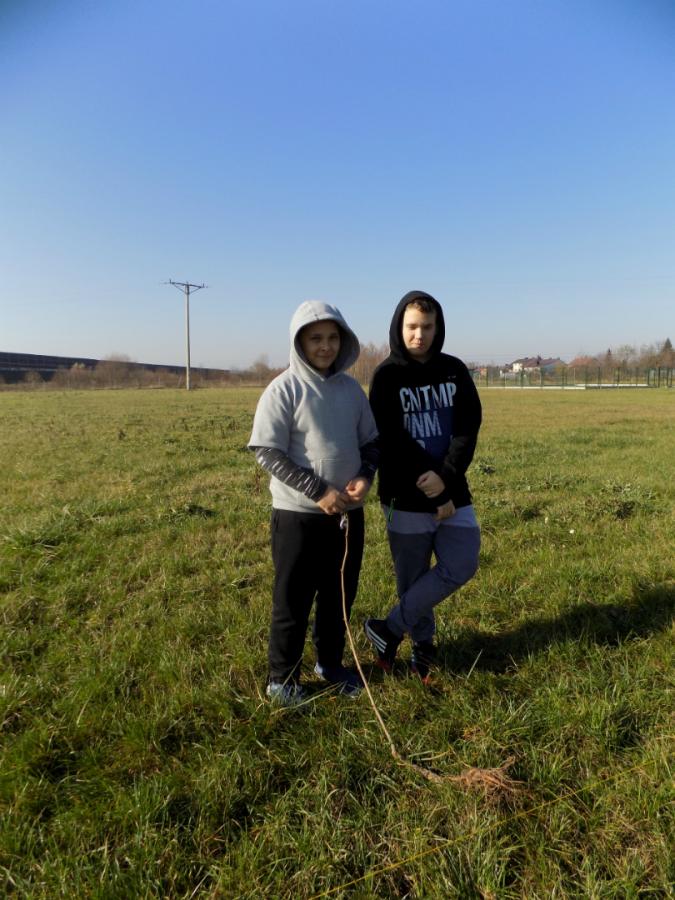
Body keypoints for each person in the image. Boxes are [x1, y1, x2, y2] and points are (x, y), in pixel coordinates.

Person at [249, 301, 378, 705]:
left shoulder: (351, 391)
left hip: (347, 516)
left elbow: (371, 443)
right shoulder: (283, 389)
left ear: (344, 340)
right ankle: (282, 680)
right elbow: (266, 451)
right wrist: (318, 490)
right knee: (293, 599)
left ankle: (330, 664)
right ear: (299, 342)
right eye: (315, 338)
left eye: (333, 337)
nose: (325, 346)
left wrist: (364, 477)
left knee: (339, 596)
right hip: (298, 518)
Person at [365, 290, 482, 682]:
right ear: (399, 327)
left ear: (438, 327)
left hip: (452, 488)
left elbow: (467, 428)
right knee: (413, 579)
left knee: (462, 562)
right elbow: (390, 437)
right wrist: (432, 485)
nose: (420, 335)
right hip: (404, 495)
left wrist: (446, 480)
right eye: (412, 326)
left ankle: (387, 628)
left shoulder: (454, 370)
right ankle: (423, 647)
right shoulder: (386, 376)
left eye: (427, 327)